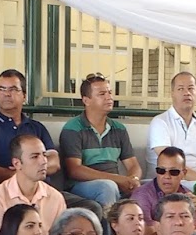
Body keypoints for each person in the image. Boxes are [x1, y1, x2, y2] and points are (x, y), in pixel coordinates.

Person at [59, 74, 139, 208]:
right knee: (107, 186)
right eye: (102, 94)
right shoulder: (73, 128)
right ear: (86, 100)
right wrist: (117, 179)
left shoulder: (119, 128)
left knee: (154, 185)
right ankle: (109, 222)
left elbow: (133, 164)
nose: (109, 97)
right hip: (82, 186)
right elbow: (75, 170)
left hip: (115, 183)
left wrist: (132, 180)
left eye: (110, 92)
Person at [0, 69, 59, 187]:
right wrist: (19, 175)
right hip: (5, 190)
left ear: (24, 96)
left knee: (77, 200)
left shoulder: (37, 127)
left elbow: (54, 162)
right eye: (1, 89)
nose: (6, 94)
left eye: (13, 89)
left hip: (44, 189)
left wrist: (29, 172)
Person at [0, 133, 66, 235]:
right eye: (35, 157)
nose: (43, 161)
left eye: (44, 155)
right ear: (17, 163)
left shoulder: (56, 198)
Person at [146, 71, 196, 185]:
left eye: (191, 88)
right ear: (172, 93)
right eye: (181, 89)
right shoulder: (160, 122)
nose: (187, 93)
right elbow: (171, 165)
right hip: (166, 183)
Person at [128, 147, 187, 235]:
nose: (167, 176)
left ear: (183, 174)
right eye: (161, 170)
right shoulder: (142, 196)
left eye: (174, 172)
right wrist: (184, 230)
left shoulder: (188, 195)